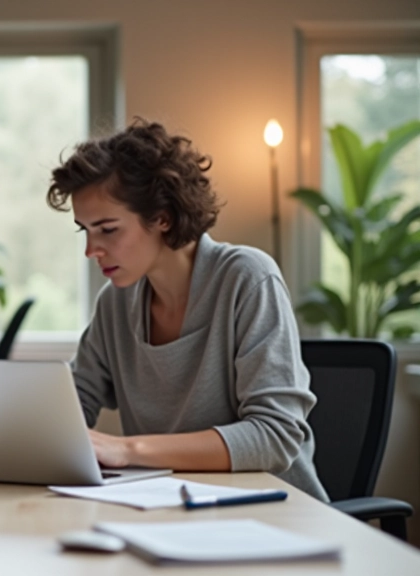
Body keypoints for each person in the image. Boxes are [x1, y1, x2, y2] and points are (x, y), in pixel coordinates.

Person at [46, 118, 328, 501]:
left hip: (274, 512)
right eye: (85, 230)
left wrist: (128, 450)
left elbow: (275, 437)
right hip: (168, 508)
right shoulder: (116, 302)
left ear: (162, 217)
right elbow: (72, 407)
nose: (91, 250)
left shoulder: (246, 278)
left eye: (108, 229)